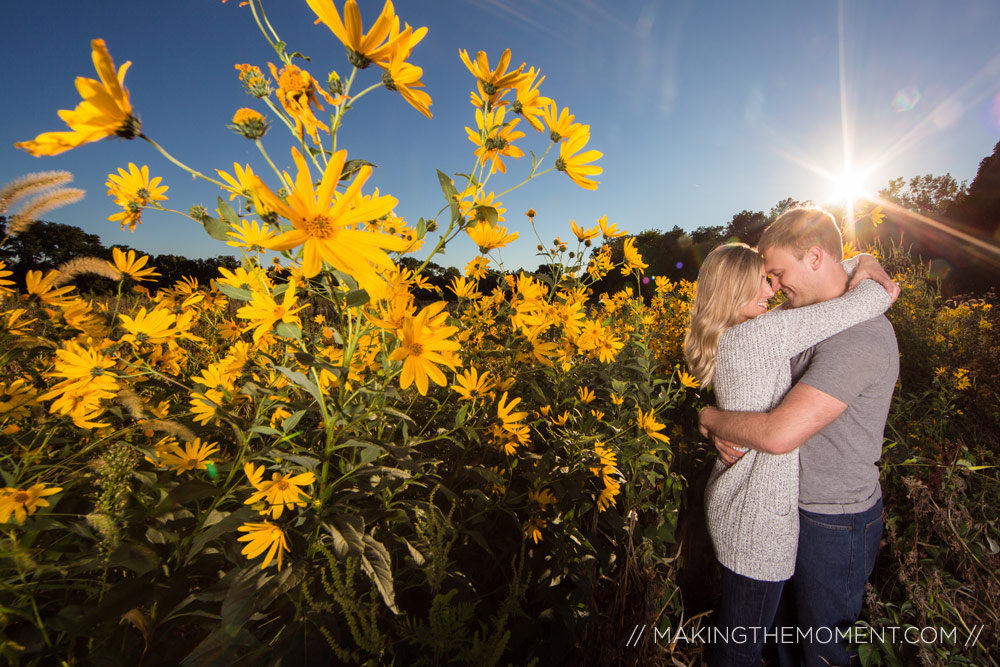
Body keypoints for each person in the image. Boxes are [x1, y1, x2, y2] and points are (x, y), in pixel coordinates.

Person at [684, 212, 896, 667]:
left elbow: (778, 434)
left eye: (776, 274)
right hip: (780, 509)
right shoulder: (785, 322)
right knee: (782, 645)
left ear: (814, 257)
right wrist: (711, 420)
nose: (775, 288)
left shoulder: (857, 337)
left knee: (824, 652)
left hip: (835, 519)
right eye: (768, 277)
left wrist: (710, 416)